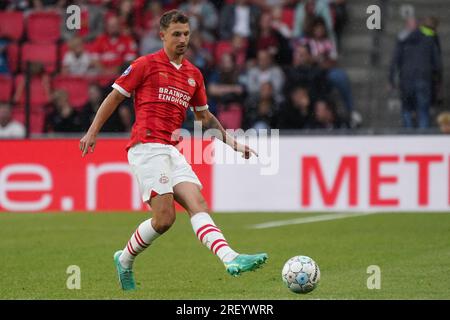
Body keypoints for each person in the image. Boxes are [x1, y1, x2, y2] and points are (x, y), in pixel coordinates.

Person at [79, 10, 268, 291]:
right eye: (176, 34)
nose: (183, 39)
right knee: (165, 219)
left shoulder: (194, 74)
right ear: (162, 36)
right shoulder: (145, 64)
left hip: (171, 149)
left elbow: (205, 118)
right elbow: (115, 96)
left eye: (186, 34)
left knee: (198, 204)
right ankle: (125, 259)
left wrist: (232, 142)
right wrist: (93, 131)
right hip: (146, 147)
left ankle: (231, 258)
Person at [389, 16, 442, 129]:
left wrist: (391, 79)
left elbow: (395, 60)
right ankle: (423, 138)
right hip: (423, 77)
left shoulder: (402, 40)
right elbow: (437, 62)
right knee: (423, 110)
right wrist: (438, 79)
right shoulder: (429, 37)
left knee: (407, 109)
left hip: (406, 78)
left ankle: (408, 136)